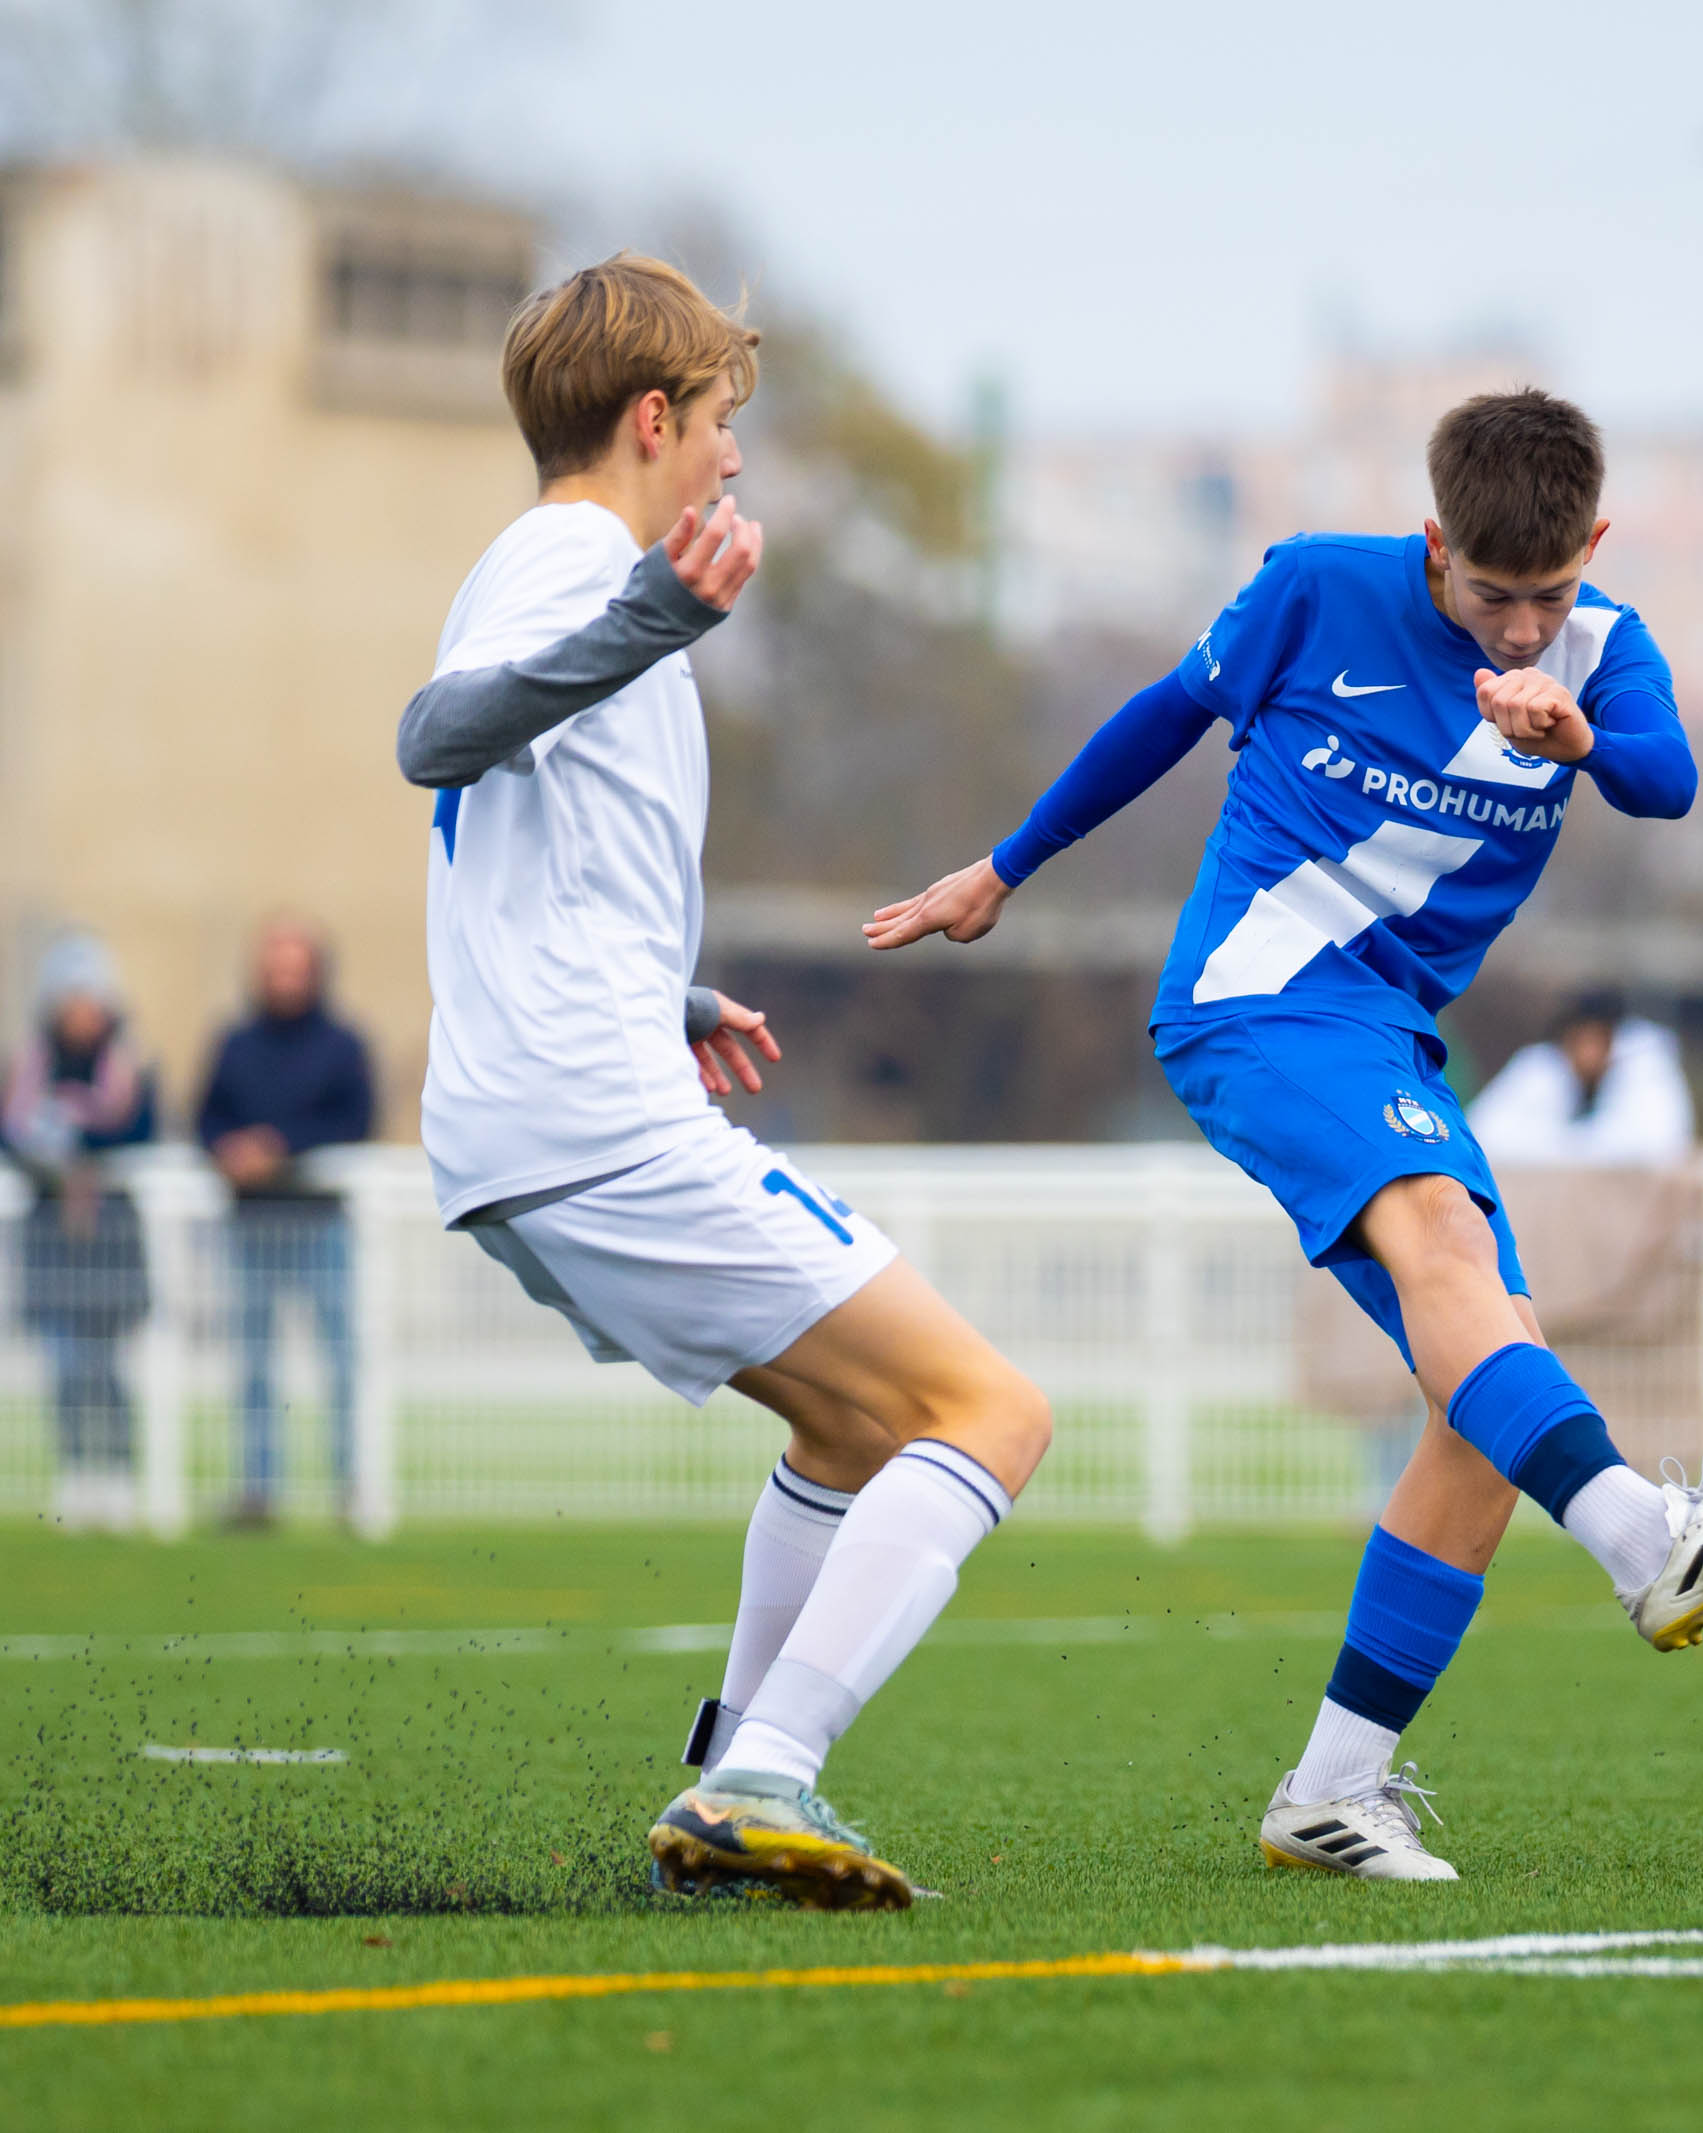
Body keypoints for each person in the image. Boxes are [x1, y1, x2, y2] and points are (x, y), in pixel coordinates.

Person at [868, 388, 1703, 1883]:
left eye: (1551, 592)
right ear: (1435, 540)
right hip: (1257, 1000)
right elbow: (1163, 718)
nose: (1521, 628)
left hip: (1387, 1038)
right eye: (1491, 595)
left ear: (1592, 545)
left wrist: (1575, 731)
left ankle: (1332, 1790)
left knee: (1481, 1395)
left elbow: (1670, 784)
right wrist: (1004, 868)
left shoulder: (1600, 652)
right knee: (1456, 1255)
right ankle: (1647, 1542)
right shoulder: (1317, 583)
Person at [397, 255, 1051, 1911]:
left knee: (847, 1425)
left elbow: (525, 832)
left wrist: (659, 985)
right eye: (721, 425)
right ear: (650, 418)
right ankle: (766, 1776)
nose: (734, 459)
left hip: (541, 1109)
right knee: (993, 1411)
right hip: (584, 1119)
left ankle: (732, 1772)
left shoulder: (552, 570)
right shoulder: (575, 562)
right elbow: (436, 736)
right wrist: (653, 617)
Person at [195, 919, 376, 1526]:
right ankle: (258, 1492)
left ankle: (353, 1487)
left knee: (343, 1361)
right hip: (250, 1226)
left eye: (294, 967)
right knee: (252, 1365)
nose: (284, 979)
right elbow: (205, 1117)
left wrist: (281, 1146)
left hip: (321, 1224)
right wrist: (230, 1150)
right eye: (275, 967)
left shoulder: (344, 1045)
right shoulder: (234, 1043)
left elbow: (355, 1120)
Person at [3, 935, 156, 1532]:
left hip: (111, 1236)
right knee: (64, 1364)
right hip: (51, 1237)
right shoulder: (25, 1066)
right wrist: (43, 1150)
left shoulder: (132, 1067)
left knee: (109, 1362)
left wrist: (75, 1143)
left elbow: (141, 1134)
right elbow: (11, 1136)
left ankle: (119, 1472)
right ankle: (76, 1470)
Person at [1464, 989, 1695, 1168]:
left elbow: (1653, 1143)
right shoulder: (1542, 1069)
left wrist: (1566, 1147)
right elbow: (1485, 1133)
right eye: (1580, 1040)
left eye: (1596, 1041)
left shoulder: (1643, 1069)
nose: (1587, 1053)